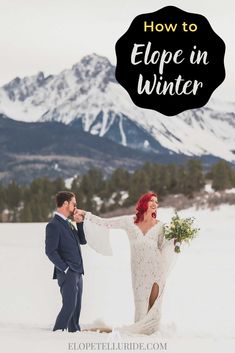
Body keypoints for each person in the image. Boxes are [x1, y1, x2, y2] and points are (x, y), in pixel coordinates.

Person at [74, 191, 176, 335]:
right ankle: (139, 334)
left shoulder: (161, 226)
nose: (154, 203)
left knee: (154, 306)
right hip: (138, 271)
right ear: (143, 203)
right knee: (141, 305)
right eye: (151, 200)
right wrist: (86, 215)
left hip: (157, 269)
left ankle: (153, 334)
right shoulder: (129, 221)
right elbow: (105, 223)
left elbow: (164, 247)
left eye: (156, 201)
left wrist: (177, 239)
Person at [45, 191, 86, 332]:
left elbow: (82, 241)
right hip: (68, 273)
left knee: (76, 308)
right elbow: (50, 251)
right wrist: (65, 269)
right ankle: (57, 334)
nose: (76, 206)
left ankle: (74, 333)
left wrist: (79, 224)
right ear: (66, 204)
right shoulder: (54, 225)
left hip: (78, 272)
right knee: (69, 306)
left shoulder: (69, 223)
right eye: (74, 203)